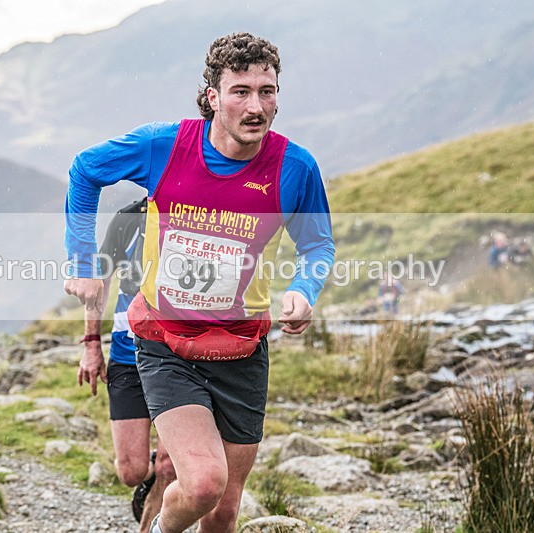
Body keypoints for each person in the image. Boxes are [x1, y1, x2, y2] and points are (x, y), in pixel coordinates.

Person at [64, 32, 334, 533]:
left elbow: (318, 246)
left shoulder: (294, 168)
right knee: (204, 484)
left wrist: (304, 289)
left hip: (242, 350)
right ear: (212, 96)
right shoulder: (163, 147)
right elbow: (85, 171)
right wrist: (83, 262)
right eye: (240, 91)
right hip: (166, 343)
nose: (256, 106)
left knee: (225, 510)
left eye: (267, 91)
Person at [77, 197, 175, 532]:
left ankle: (156, 505)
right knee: (131, 471)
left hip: (177, 359)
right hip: (125, 355)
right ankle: (153, 475)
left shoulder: (199, 214)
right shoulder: (129, 218)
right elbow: (97, 283)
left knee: (168, 466)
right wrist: (92, 344)